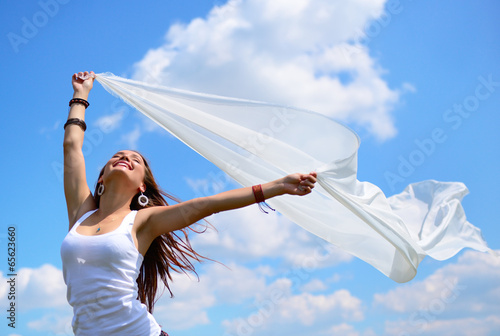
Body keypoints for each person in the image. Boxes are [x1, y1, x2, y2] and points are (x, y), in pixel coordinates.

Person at [60, 71, 318, 336]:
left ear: (142, 187)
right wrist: (81, 93)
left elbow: (206, 204)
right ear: (101, 176)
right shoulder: (81, 211)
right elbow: (71, 147)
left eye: (136, 160)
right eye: (118, 155)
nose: (126, 157)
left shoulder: (142, 222)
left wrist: (277, 186)